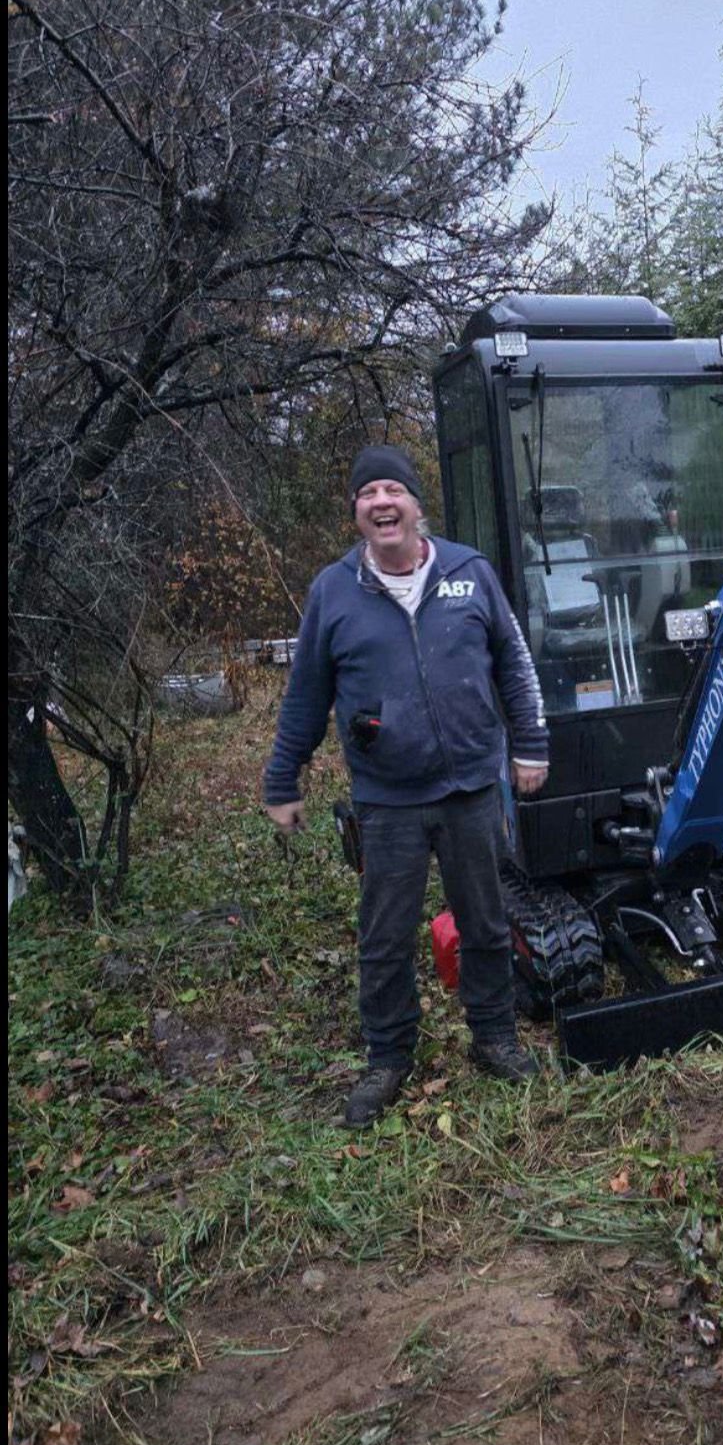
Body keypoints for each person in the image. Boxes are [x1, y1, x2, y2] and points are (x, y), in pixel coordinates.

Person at [262, 445, 550, 1126]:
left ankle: (495, 1036)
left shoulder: (469, 572)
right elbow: (305, 694)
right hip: (387, 798)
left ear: (418, 505)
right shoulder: (334, 591)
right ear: (357, 513)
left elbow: (514, 663)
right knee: (384, 935)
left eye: (393, 489)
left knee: (485, 921)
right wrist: (282, 778)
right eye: (368, 493)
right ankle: (389, 1056)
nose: (381, 501)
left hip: (471, 787)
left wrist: (530, 744)